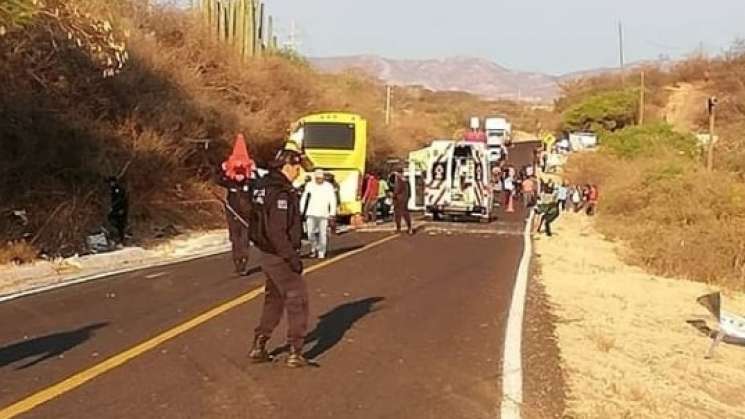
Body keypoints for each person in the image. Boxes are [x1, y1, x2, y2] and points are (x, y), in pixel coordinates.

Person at [248, 146, 311, 368]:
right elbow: (277, 230)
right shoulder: (280, 192)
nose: (298, 172)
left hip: (266, 251)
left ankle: (260, 344)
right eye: (296, 167)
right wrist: (291, 257)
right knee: (297, 299)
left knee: (274, 300)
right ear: (287, 166)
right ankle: (296, 350)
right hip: (278, 253)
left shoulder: (263, 187)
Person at [217, 135, 255, 275]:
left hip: (246, 217)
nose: (239, 175)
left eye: (241, 173)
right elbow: (219, 180)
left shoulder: (249, 183)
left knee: (244, 241)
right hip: (232, 215)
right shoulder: (230, 183)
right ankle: (237, 263)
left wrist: (253, 170)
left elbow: (258, 184)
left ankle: (243, 264)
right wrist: (224, 169)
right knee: (235, 240)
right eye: (236, 173)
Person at [301, 169, 337, 259]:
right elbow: (304, 197)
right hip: (311, 212)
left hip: (323, 214)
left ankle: (321, 252)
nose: (319, 180)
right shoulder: (310, 185)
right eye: (317, 178)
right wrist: (301, 210)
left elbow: (332, 199)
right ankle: (314, 248)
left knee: (322, 234)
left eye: (321, 178)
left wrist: (332, 213)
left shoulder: (328, 186)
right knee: (310, 233)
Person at [107, 176, 129, 246]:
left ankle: (121, 240)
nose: (111, 184)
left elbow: (121, 200)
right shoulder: (112, 189)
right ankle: (117, 239)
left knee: (120, 225)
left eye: (112, 182)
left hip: (121, 209)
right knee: (112, 221)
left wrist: (116, 207)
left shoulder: (119, 189)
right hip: (115, 209)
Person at [392, 169, 413, 234]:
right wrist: (408, 197)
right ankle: (409, 228)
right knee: (405, 213)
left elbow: (397, 189)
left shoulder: (398, 179)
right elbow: (409, 191)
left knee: (397, 214)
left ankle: (398, 228)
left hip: (398, 199)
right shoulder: (406, 180)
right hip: (405, 199)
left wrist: (393, 195)